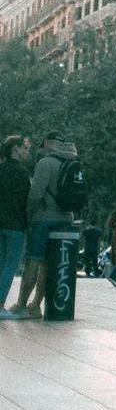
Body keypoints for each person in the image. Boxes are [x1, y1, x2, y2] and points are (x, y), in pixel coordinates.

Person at [10, 130, 79, 318]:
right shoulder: (73, 163)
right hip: (66, 220)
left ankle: (21, 304)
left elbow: (35, 194)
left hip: (44, 218)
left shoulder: (45, 163)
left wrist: (29, 215)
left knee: (33, 260)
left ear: (49, 143)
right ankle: (36, 305)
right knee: (49, 265)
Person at [0, 136, 30, 320]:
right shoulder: (22, 173)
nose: (27, 152)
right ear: (16, 149)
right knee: (11, 265)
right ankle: (0, 303)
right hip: (16, 224)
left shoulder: (1, 170)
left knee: (1, 264)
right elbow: (28, 200)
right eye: (25, 148)